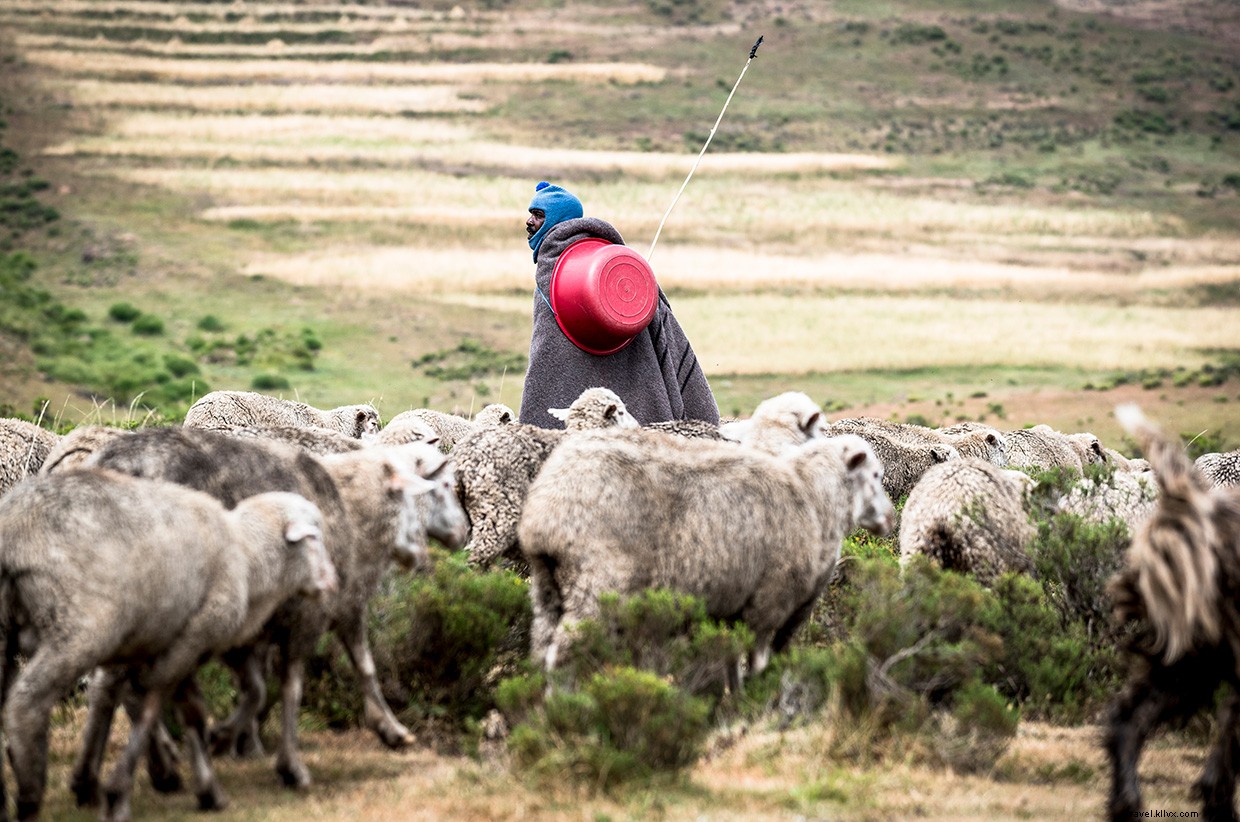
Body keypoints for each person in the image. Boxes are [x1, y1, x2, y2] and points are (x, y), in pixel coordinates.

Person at [520, 181, 720, 430]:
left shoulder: (558, 265)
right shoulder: (592, 256)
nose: (529, 221)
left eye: (538, 215)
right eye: (531, 214)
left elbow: (545, 351)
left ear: (557, 220)